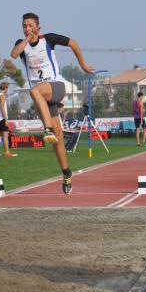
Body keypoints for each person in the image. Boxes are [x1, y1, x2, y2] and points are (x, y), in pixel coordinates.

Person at [11, 12, 94, 194]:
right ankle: (67, 173)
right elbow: (14, 54)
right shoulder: (21, 44)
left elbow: (73, 43)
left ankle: (46, 128)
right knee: (57, 139)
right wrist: (26, 38)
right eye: (24, 26)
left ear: (38, 27)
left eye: (31, 25)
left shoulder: (48, 39)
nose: (27, 28)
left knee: (34, 91)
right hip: (42, 99)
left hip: (56, 87)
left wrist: (83, 65)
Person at [0, 82, 18, 157]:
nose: (8, 89)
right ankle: (7, 152)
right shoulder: (2, 96)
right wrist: (6, 119)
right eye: (7, 88)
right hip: (2, 118)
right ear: (6, 88)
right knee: (5, 136)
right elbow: (2, 108)